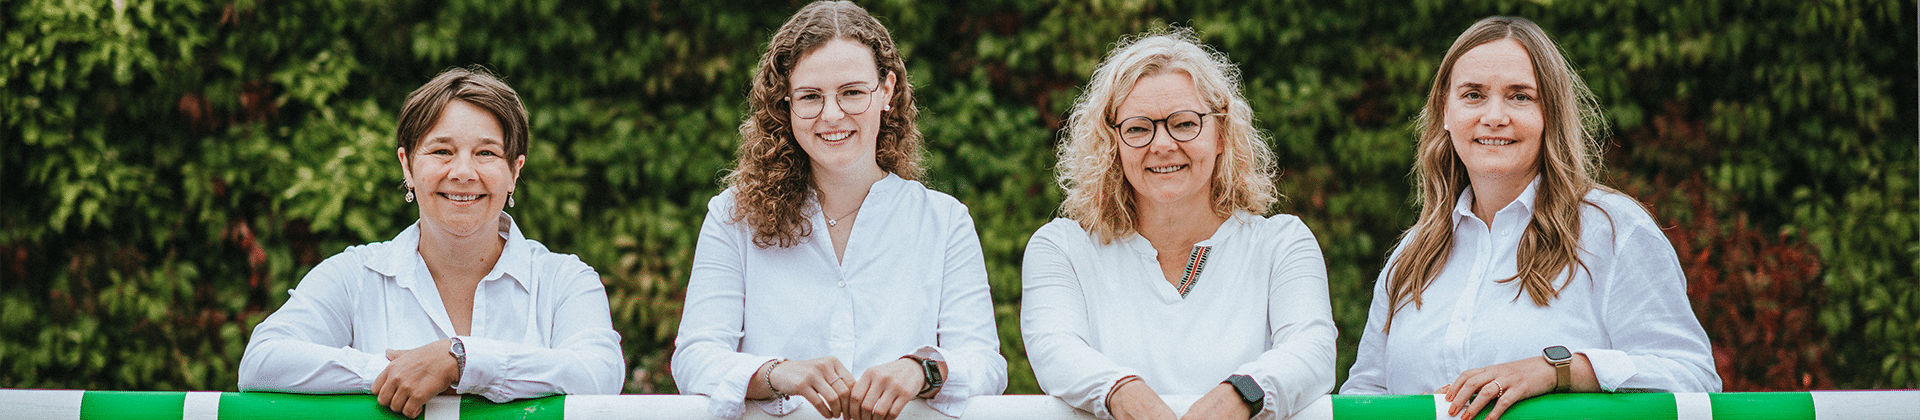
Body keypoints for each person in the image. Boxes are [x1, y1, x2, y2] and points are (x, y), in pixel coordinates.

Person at [1338, 16, 1720, 420]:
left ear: (1550, 113)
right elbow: (1366, 396)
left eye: (1520, 96)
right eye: (1473, 95)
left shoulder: (1612, 231)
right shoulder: (1412, 254)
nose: (1494, 116)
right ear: (1445, 112)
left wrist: (1556, 371)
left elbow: (1693, 378)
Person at [669, 2, 1007, 420]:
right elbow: (695, 358)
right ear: (786, 103)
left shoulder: (944, 221)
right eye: (811, 97)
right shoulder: (732, 217)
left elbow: (985, 365)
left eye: (852, 92)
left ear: (886, 91)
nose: (832, 115)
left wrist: (921, 370)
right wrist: (777, 372)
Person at [238, 67, 625, 418]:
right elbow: (262, 361)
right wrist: (398, 372)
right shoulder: (354, 275)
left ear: (514, 171)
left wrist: (461, 361)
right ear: (407, 166)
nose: (463, 172)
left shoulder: (565, 280)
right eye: (442, 151)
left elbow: (600, 373)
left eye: (486, 153)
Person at [1021, 28, 1336, 420]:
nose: (1162, 145)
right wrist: (1122, 391)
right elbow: (1056, 349)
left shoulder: (1281, 245)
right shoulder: (1062, 248)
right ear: (1112, 143)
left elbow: (1312, 350)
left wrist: (1238, 396)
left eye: (1185, 124)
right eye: (1138, 128)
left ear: (1221, 134)